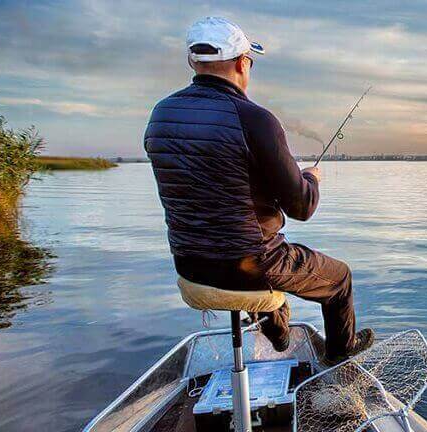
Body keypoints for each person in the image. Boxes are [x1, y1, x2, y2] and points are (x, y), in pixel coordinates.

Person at [144, 16, 373, 365]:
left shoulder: (160, 115)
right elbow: (303, 207)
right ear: (241, 63)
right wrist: (311, 179)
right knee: (339, 278)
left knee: (270, 268)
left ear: (194, 62)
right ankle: (340, 362)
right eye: (250, 61)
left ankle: (278, 329)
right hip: (251, 265)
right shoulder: (255, 118)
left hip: (189, 265)